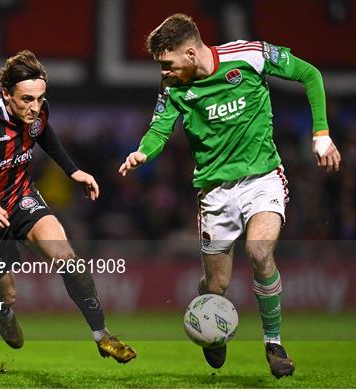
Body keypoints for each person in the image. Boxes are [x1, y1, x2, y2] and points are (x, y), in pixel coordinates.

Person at [119, 14, 340, 377]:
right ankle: (213, 330)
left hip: (262, 179)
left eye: (167, 64)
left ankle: (274, 342)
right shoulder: (175, 89)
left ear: (190, 53)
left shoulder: (249, 56)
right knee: (216, 284)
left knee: (259, 251)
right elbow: (159, 130)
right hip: (214, 193)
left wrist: (321, 133)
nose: (163, 73)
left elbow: (309, 74)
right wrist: (143, 152)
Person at [0, 50, 136, 364]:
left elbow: (43, 132)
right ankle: (1, 308)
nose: (34, 107)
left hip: (21, 197)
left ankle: (101, 335)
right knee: (8, 294)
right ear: (6, 94)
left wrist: (74, 171)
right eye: (26, 99)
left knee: (68, 258)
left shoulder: (37, 110)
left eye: (40, 99)